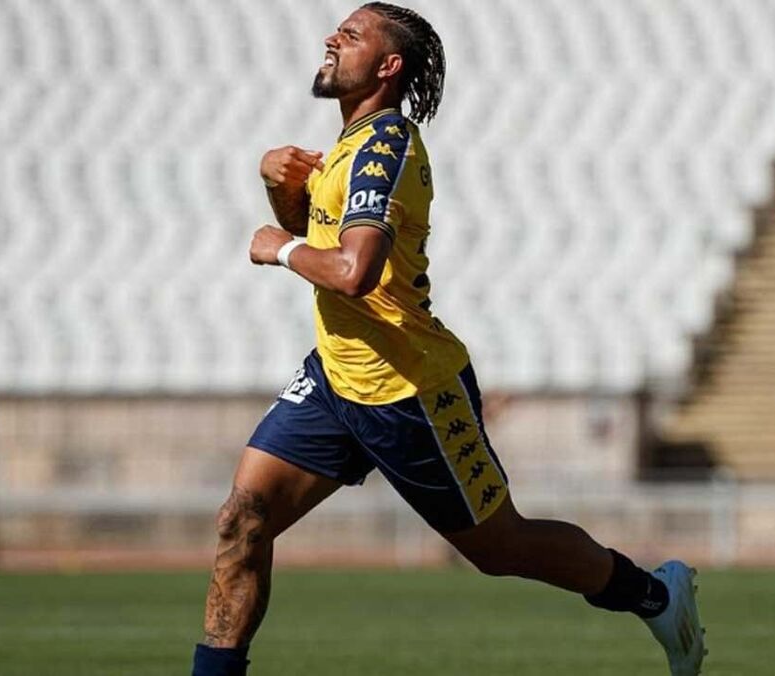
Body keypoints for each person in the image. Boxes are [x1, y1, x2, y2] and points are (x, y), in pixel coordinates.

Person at [191, 4, 705, 675]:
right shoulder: (348, 146)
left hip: (407, 390)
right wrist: (280, 188)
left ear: (388, 65)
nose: (331, 38)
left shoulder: (384, 148)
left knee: (501, 548)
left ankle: (655, 595)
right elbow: (322, 241)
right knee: (242, 519)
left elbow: (353, 272)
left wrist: (279, 247)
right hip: (336, 378)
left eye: (351, 34)